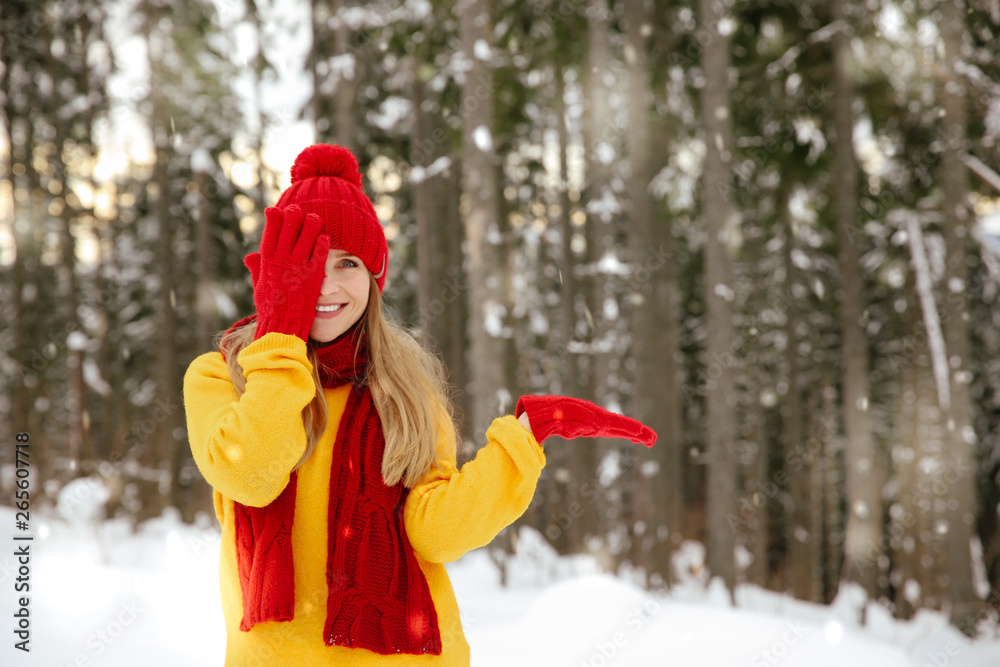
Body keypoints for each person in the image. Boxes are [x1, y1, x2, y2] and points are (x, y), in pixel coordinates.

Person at [183, 143, 657, 666]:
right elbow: (252, 474)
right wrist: (280, 336)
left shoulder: (406, 389)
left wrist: (523, 437)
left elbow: (434, 533)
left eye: (348, 262)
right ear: (276, 270)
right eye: (308, 260)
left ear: (374, 277)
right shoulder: (224, 375)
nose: (327, 283)